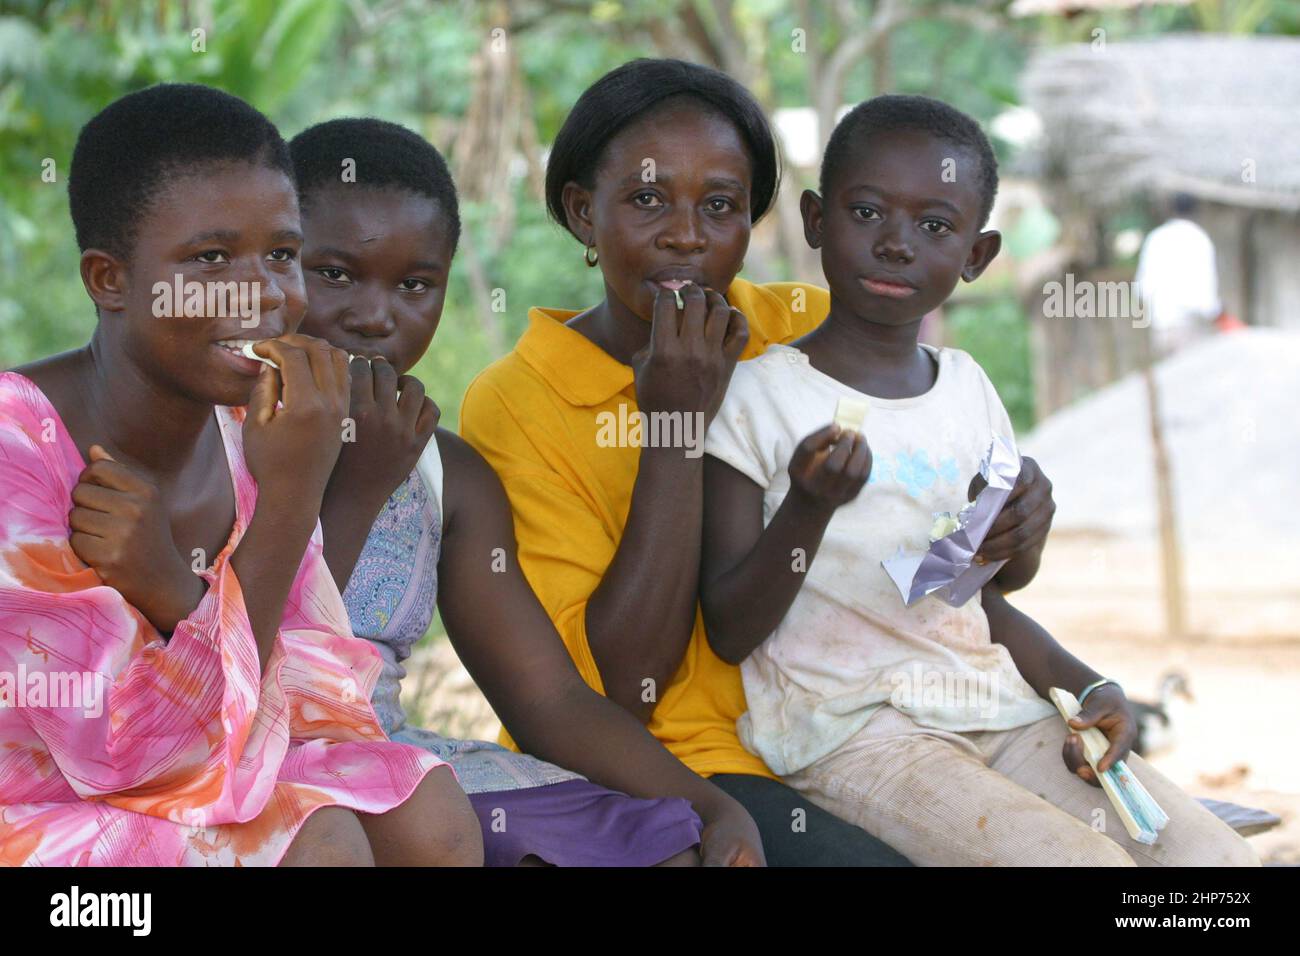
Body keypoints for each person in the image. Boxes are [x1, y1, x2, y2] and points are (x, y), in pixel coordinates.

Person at [461, 59, 1055, 865]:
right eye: (645, 200)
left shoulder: (808, 333)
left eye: (720, 205)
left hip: (858, 726)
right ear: (580, 213)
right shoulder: (519, 399)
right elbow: (619, 687)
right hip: (674, 761)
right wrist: (676, 426)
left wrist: (1013, 531)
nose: (685, 234)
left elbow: (919, 571)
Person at [698, 94, 1260, 866]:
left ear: (978, 254)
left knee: (1218, 865)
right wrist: (807, 508)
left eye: (935, 226)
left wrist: (1086, 677)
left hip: (997, 708)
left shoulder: (968, 389)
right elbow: (727, 628)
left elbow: (977, 590)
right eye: (867, 213)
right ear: (816, 220)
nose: (897, 245)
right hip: (854, 733)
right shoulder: (758, 398)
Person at [0, 84, 482, 866]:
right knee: (322, 847)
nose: (265, 294)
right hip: (38, 816)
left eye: (284, 255)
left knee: (427, 812)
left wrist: (176, 593)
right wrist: (291, 498)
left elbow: (324, 694)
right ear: (109, 279)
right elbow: (136, 755)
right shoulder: (18, 452)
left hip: (187, 767)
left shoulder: (244, 427)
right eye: (212, 258)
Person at [291, 117, 762, 866]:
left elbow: (548, 699)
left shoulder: (444, 473)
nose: (376, 316)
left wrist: (711, 803)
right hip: (245, 763)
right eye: (336, 274)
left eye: (415, 285)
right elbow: (246, 672)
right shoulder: (214, 440)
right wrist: (358, 488)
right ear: (274, 265)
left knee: (662, 844)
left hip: (394, 759)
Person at [1135, 193, 1223, 355]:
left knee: (1170, 377)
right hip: (1190, 326)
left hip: (1161, 326)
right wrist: (1216, 313)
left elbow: (1142, 287)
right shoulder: (1199, 239)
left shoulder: (1156, 238)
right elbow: (1206, 288)